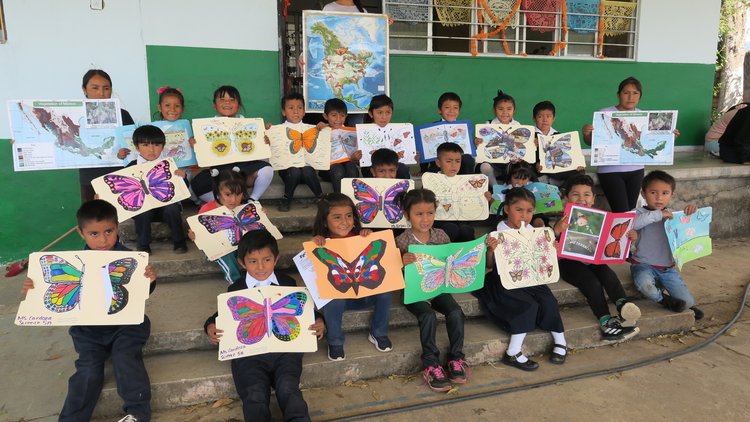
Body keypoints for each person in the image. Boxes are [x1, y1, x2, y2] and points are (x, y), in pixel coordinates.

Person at [22, 200, 157, 422]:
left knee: (125, 358)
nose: (103, 240)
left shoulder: (130, 260)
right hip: (88, 330)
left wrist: (149, 281)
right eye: (94, 234)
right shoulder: (71, 262)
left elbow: (140, 295)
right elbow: (43, 292)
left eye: (109, 231)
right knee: (87, 370)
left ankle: (137, 413)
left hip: (127, 325)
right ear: (81, 233)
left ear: (118, 228)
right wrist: (33, 289)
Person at [204, 230, 326, 422]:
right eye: (253, 261)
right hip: (250, 355)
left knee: (289, 389)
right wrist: (210, 326)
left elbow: (300, 311)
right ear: (242, 263)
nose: (261, 267)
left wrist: (319, 320)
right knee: (254, 395)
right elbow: (220, 316)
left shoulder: (288, 283)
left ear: (276, 259)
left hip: (286, 351)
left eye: (267, 260)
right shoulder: (236, 289)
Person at [474, 187, 567, 371]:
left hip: (531, 278)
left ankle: (560, 341)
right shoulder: (497, 233)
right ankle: (513, 352)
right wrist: (491, 250)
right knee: (527, 305)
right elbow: (490, 266)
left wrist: (552, 249)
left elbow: (545, 260)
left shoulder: (534, 232)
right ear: (507, 210)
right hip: (504, 280)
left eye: (529, 211)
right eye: (519, 210)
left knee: (548, 300)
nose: (524, 215)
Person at [552, 174, 641, 341]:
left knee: (608, 274)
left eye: (586, 195)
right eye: (575, 194)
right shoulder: (562, 220)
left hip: (592, 259)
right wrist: (557, 231)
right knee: (591, 283)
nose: (581, 199)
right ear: (566, 199)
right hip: (568, 263)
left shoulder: (598, 220)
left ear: (593, 199)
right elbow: (548, 246)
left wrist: (629, 236)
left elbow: (612, 240)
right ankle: (606, 322)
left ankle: (623, 305)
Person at [396, 189, 468, 392]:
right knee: (427, 316)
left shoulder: (441, 235)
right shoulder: (402, 241)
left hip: (438, 288)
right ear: (406, 214)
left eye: (430, 213)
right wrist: (400, 262)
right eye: (419, 214)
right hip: (413, 292)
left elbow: (452, 260)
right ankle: (431, 363)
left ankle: (456, 359)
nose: (425, 219)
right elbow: (391, 272)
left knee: (455, 312)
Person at [311, 193, 393, 361]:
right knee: (334, 299)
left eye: (349, 216)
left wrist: (368, 236)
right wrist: (313, 244)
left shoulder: (361, 238)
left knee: (386, 291)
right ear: (325, 222)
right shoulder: (321, 244)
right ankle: (335, 341)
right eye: (337, 217)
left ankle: (378, 332)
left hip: (365, 294)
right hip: (340, 298)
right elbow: (313, 272)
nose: (345, 222)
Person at [582, 77, 680, 212]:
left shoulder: (643, 117)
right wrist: (587, 134)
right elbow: (592, 142)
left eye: (635, 93)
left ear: (640, 96)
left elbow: (652, 140)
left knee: (631, 211)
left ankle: (629, 233)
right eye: (626, 92)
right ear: (618, 95)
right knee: (621, 211)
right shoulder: (606, 113)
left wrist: (668, 136)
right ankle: (621, 233)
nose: (630, 97)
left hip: (636, 170)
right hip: (611, 171)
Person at [629, 170, 704, 320]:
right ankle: (663, 299)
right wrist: (658, 214)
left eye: (665, 193)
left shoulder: (673, 216)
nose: (659, 198)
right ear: (643, 194)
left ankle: (677, 300)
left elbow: (687, 231)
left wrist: (691, 212)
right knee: (646, 287)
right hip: (643, 264)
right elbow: (634, 223)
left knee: (688, 302)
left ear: (672, 195)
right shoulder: (637, 213)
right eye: (653, 192)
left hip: (667, 268)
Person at [191, 86, 274, 204]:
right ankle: (226, 202)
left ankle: (252, 200)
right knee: (198, 183)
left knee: (267, 169)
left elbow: (258, 149)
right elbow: (203, 151)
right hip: (219, 171)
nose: (227, 103)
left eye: (232, 99)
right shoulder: (207, 127)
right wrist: (195, 143)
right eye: (222, 99)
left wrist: (263, 142)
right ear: (214, 105)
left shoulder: (249, 124)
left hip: (243, 170)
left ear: (239, 105)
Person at [127, 125, 188, 254]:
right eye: (145, 145)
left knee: (172, 208)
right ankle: (143, 244)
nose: (151, 149)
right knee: (143, 212)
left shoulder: (168, 164)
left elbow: (183, 189)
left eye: (156, 145)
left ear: (163, 146)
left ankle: (179, 242)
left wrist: (183, 177)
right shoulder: (131, 167)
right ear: (137, 147)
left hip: (164, 208)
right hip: (143, 209)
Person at [78, 69, 136, 203]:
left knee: (121, 214)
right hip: (90, 177)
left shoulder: (123, 115)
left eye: (106, 88)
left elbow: (134, 146)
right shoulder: (76, 115)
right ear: (84, 90)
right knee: (93, 216)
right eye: (95, 88)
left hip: (120, 175)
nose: (101, 93)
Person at [187, 168, 248, 284]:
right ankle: (235, 282)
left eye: (238, 194)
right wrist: (194, 235)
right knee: (227, 253)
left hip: (240, 243)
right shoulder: (206, 210)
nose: (233, 200)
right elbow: (200, 234)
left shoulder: (244, 208)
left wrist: (261, 215)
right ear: (218, 192)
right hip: (218, 247)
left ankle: (258, 278)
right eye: (228, 194)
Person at [274, 92, 324, 212]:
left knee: (307, 170)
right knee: (294, 171)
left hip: (306, 169)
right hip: (288, 171)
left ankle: (321, 198)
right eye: (291, 108)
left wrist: (324, 127)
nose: (295, 111)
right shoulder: (278, 130)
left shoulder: (312, 129)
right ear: (284, 112)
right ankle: (287, 198)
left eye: (299, 108)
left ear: (304, 111)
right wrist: (268, 132)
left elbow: (323, 142)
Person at [430, 142, 484, 242]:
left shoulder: (466, 182)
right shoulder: (430, 181)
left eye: (457, 161)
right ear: (438, 163)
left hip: (462, 218)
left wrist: (484, 198)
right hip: (440, 220)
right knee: (451, 228)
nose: (454, 165)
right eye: (449, 161)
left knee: (466, 230)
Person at [477, 90, 528, 186]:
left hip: (510, 163)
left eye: (509, 109)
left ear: (514, 110)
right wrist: (477, 142)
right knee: (484, 166)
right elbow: (482, 145)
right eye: (500, 109)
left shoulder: (518, 126)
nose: (505, 112)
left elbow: (521, 145)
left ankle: (512, 186)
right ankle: (496, 187)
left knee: (521, 165)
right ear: (494, 110)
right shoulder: (488, 124)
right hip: (493, 162)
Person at [421, 92, 476, 175]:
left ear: (459, 110)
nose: (451, 111)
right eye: (447, 107)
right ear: (439, 110)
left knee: (468, 159)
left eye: (455, 108)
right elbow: (425, 149)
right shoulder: (431, 129)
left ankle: (467, 184)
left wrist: (475, 144)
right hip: (438, 165)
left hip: (459, 165)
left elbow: (468, 148)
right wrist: (422, 169)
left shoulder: (463, 128)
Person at [360, 95, 412, 179]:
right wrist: (356, 158)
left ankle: (403, 191)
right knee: (374, 169)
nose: (384, 117)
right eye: (379, 112)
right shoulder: (362, 132)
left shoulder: (397, 131)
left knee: (402, 168)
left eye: (388, 112)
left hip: (392, 166)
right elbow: (361, 159)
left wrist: (411, 155)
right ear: (371, 113)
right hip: (372, 166)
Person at [533, 100, 584, 185]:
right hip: (538, 169)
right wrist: (532, 145)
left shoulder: (558, 136)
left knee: (580, 171)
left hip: (556, 168)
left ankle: (563, 191)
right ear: (534, 119)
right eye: (540, 116)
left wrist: (578, 164)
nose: (545, 120)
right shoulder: (531, 135)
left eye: (548, 116)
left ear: (553, 118)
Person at [317, 98, 362, 193]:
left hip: (346, 166)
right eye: (334, 115)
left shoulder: (350, 133)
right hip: (328, 170)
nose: (338, 119)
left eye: (342, 116)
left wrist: (355, 157)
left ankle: (352, 198)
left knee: (352, 168)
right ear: (325, 116)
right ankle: (339, 199)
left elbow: (354, 156)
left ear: (346, 116)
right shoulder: (322, 130)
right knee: (338, 170)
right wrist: (318, 129)